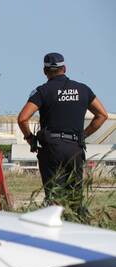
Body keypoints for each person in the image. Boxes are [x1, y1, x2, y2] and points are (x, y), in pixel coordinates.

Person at [17, 52, 108, 203]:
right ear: (64, 68)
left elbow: (22, 118)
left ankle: (55, 222)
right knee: (75, 197)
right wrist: (83, 135)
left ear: (45, 71)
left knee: (54, 197)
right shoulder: (83, 89)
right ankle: (75, 224)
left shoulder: (42, 91)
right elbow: (102, 115)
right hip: (74, 149)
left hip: (51, 150)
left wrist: (30, 139)